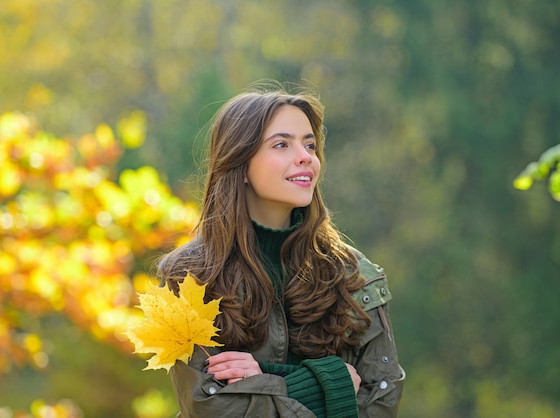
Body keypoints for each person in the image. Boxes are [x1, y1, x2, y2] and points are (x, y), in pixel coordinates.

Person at [158, 83, 405, 417]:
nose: (305, 156)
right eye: (281, 144)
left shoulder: (355, 275)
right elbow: (212, 407)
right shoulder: (188, 276)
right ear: (240, 163)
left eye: (310, 145)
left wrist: (267, 381)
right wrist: (331, 384)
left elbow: (382, 402)